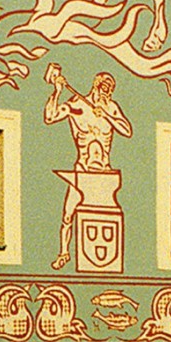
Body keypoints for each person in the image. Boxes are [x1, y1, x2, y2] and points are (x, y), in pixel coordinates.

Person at [43, 65, 132, 269]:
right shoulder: (77, 105)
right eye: (104, 90)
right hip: (82, 169)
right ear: (96, 86)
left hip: (105, 174)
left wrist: (107, 115)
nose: (106, 95)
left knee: (106, 217)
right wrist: (56, 92)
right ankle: (64, 253)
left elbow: (126, 130)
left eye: (109, 92)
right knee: (68, 214)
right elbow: (50, 117)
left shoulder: (112, 108)